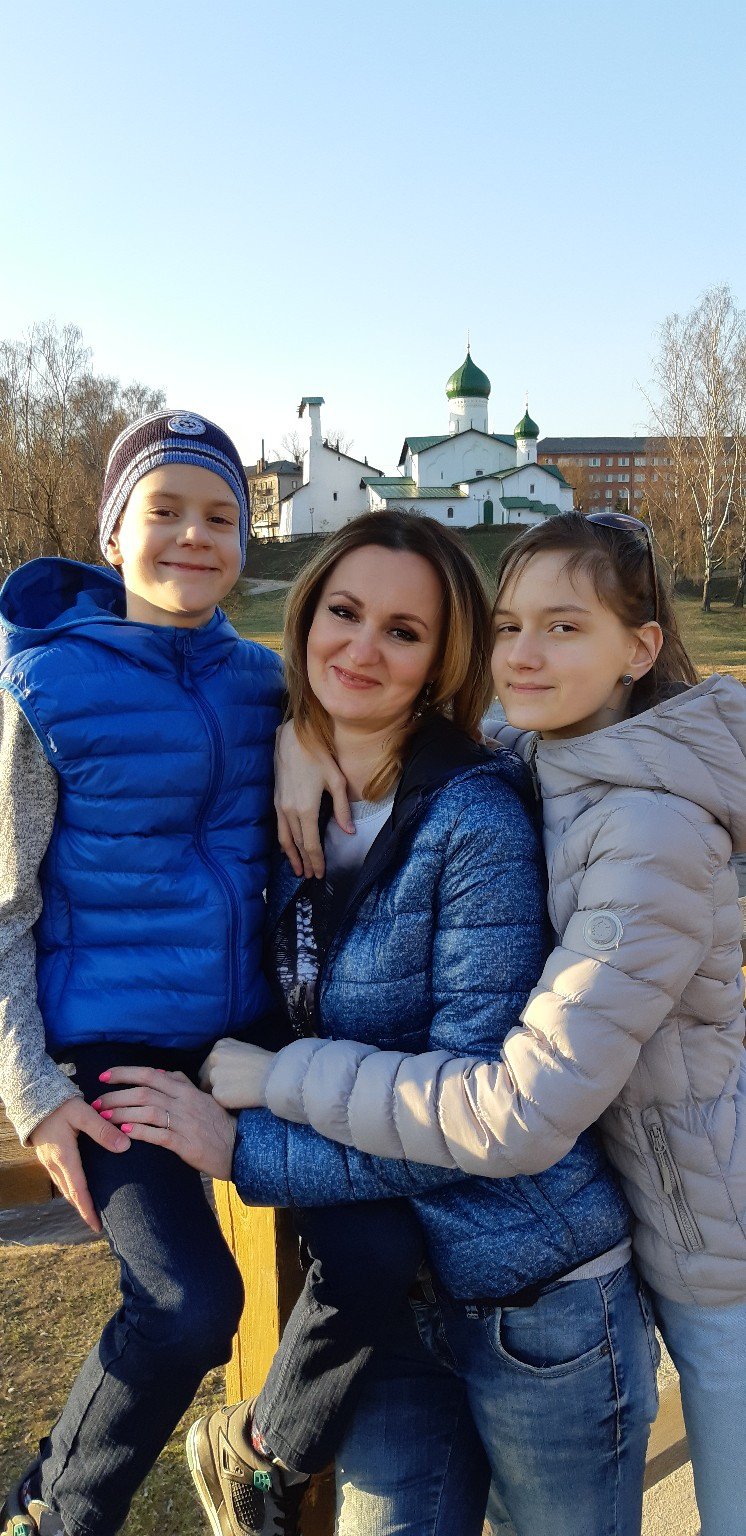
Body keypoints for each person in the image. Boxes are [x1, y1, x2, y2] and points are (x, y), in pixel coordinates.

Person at [97, 510, 659, 1536]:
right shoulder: (275, 793)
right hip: (386, 1310)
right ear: (306, 618)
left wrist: (243, 1149)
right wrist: (289, 741)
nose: (361, 648)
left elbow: (478, 1113)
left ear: (441, 658)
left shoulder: (476, 821)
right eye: (344, 613)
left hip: (535, 1298)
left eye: (403, 632)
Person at [258, 510, 746, 1536]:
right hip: (592, 1217)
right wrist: (297, 736)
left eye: (563, 628)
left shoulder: (648, 830)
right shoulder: (550, 754)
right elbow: (391, 716)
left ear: (639, 649)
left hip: (706, 1243)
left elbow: (517, 1112)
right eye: (510, 626)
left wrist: (271, 1085)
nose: (522, 655)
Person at [0, 411, 284, 1536]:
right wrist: (34, 1091)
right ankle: (56, 1516)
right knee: (188, 1301)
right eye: (165, 510)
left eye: (221, 516)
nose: (194, 536)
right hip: (110, 1048)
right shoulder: (43, 686)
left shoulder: (267, 682)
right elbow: (3, 908)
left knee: (378, 1245)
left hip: (249, 1036)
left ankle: (262, 1452)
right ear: (113, 532)